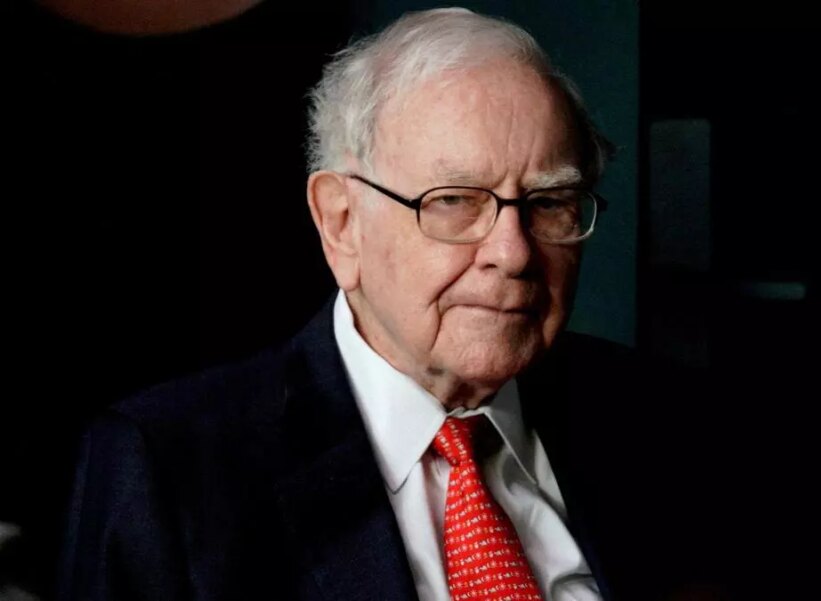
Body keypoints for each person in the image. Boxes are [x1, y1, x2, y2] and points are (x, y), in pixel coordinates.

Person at [59, 8, 712, 601]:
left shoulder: (658, 419)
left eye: (547, 203)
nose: (512, 252)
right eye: (455, 201)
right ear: (341, 223)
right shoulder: (168, 471)